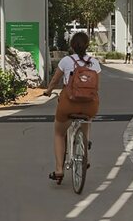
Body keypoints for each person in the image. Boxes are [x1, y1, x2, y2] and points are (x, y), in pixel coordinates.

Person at [43, 31, 101, 185]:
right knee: (86, 123)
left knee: (59, 133)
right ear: (87, 45)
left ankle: (59, 169)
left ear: (72, 46)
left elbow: (55, 80)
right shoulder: (94, 62)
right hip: (89, 105)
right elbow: (96, 86)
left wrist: (48, 91)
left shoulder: (66, 61)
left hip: (69, 103)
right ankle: (84, 155)